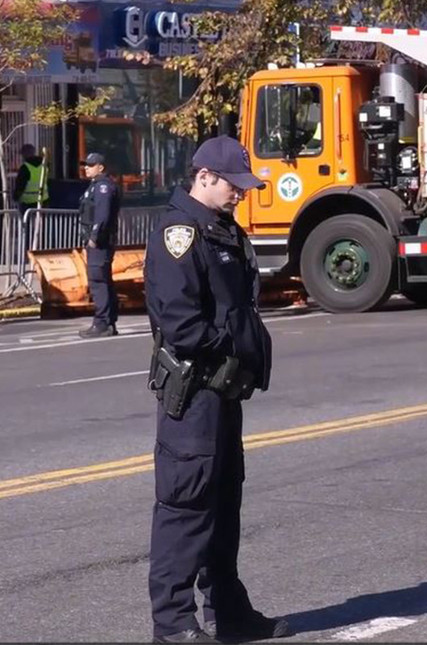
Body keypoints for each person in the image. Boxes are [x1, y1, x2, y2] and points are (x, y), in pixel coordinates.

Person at [145, 136, 287, 643]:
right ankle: (174, 622)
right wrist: (232, 348)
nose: (240, 195)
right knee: (186, 507)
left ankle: (228, 611)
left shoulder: (221, 229)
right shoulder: (180, 233)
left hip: (224, 388)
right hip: (196, 389)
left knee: (224, 504)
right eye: (234, 185)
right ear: (204, 176)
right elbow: (182, 323)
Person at [78, 152, 121, 338]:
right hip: (97, 241)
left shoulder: (103, 187)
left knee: (98, 281)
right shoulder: (95, 186)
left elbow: (102, 216)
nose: (86, 168)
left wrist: (94, 237)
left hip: (100, 242)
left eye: (90, 165)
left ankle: (102, 322)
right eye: (86, 165)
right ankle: (108, 321)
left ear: (100, 167)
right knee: (102, 280)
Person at [13, 143, 49, 215]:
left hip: (27, 203)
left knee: (26, 224)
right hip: (43, 200)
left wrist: (15, 197)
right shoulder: (44, 165)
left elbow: (20, 185)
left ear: (25, 154)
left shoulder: (25, 168)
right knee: (42, 224)